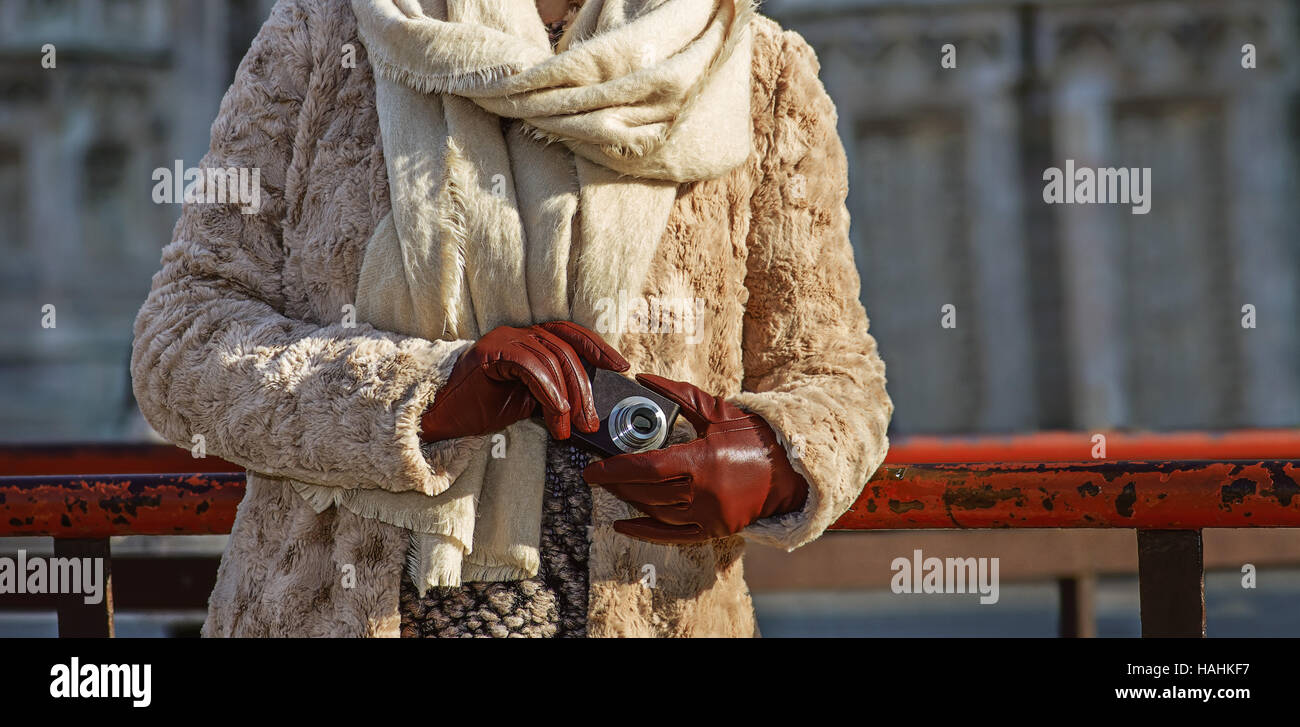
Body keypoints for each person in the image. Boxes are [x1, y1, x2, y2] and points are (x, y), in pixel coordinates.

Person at [131, 0, 894, 637]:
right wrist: (425, 397)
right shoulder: (326, 37)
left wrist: (774, 461)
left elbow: (835, 376)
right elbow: (183, 337)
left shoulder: (755, 72)